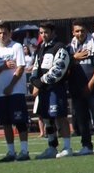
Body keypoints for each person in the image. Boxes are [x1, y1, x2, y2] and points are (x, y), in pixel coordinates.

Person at [0, 23, 30, 161]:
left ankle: (24, 151)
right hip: (1, 92)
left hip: (16, 90)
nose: (2, 36)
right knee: (5, 122)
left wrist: (11, 86)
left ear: (10, 33)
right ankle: (11, 152)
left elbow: (21, 67)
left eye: (5, 33)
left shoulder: (16, 47)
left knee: (20, 121)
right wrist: (3, 67)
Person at [30, 22, 74, 159]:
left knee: (60, 117)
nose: (44, 35)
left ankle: (67, 147)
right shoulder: (40, 48)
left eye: (46, 32)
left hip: (55, 89)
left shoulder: (60, 47)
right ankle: (52, 146)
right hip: (44, 90)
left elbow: (59, 69)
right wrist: (34, 80)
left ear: (53, 33)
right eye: (41, 33)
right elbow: (35, 67)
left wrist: (41, 81)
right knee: (47, 118)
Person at [69, 20, 94, 154]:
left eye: (82, 31)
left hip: (93, 88)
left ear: (87, 31)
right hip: (76, 88)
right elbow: (65, 65)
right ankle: (86, 145)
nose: (80, 33)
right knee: (82, 119)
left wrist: (90, 84)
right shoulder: (70, 48)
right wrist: (74, 58)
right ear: (73, 32)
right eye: (77, 31)